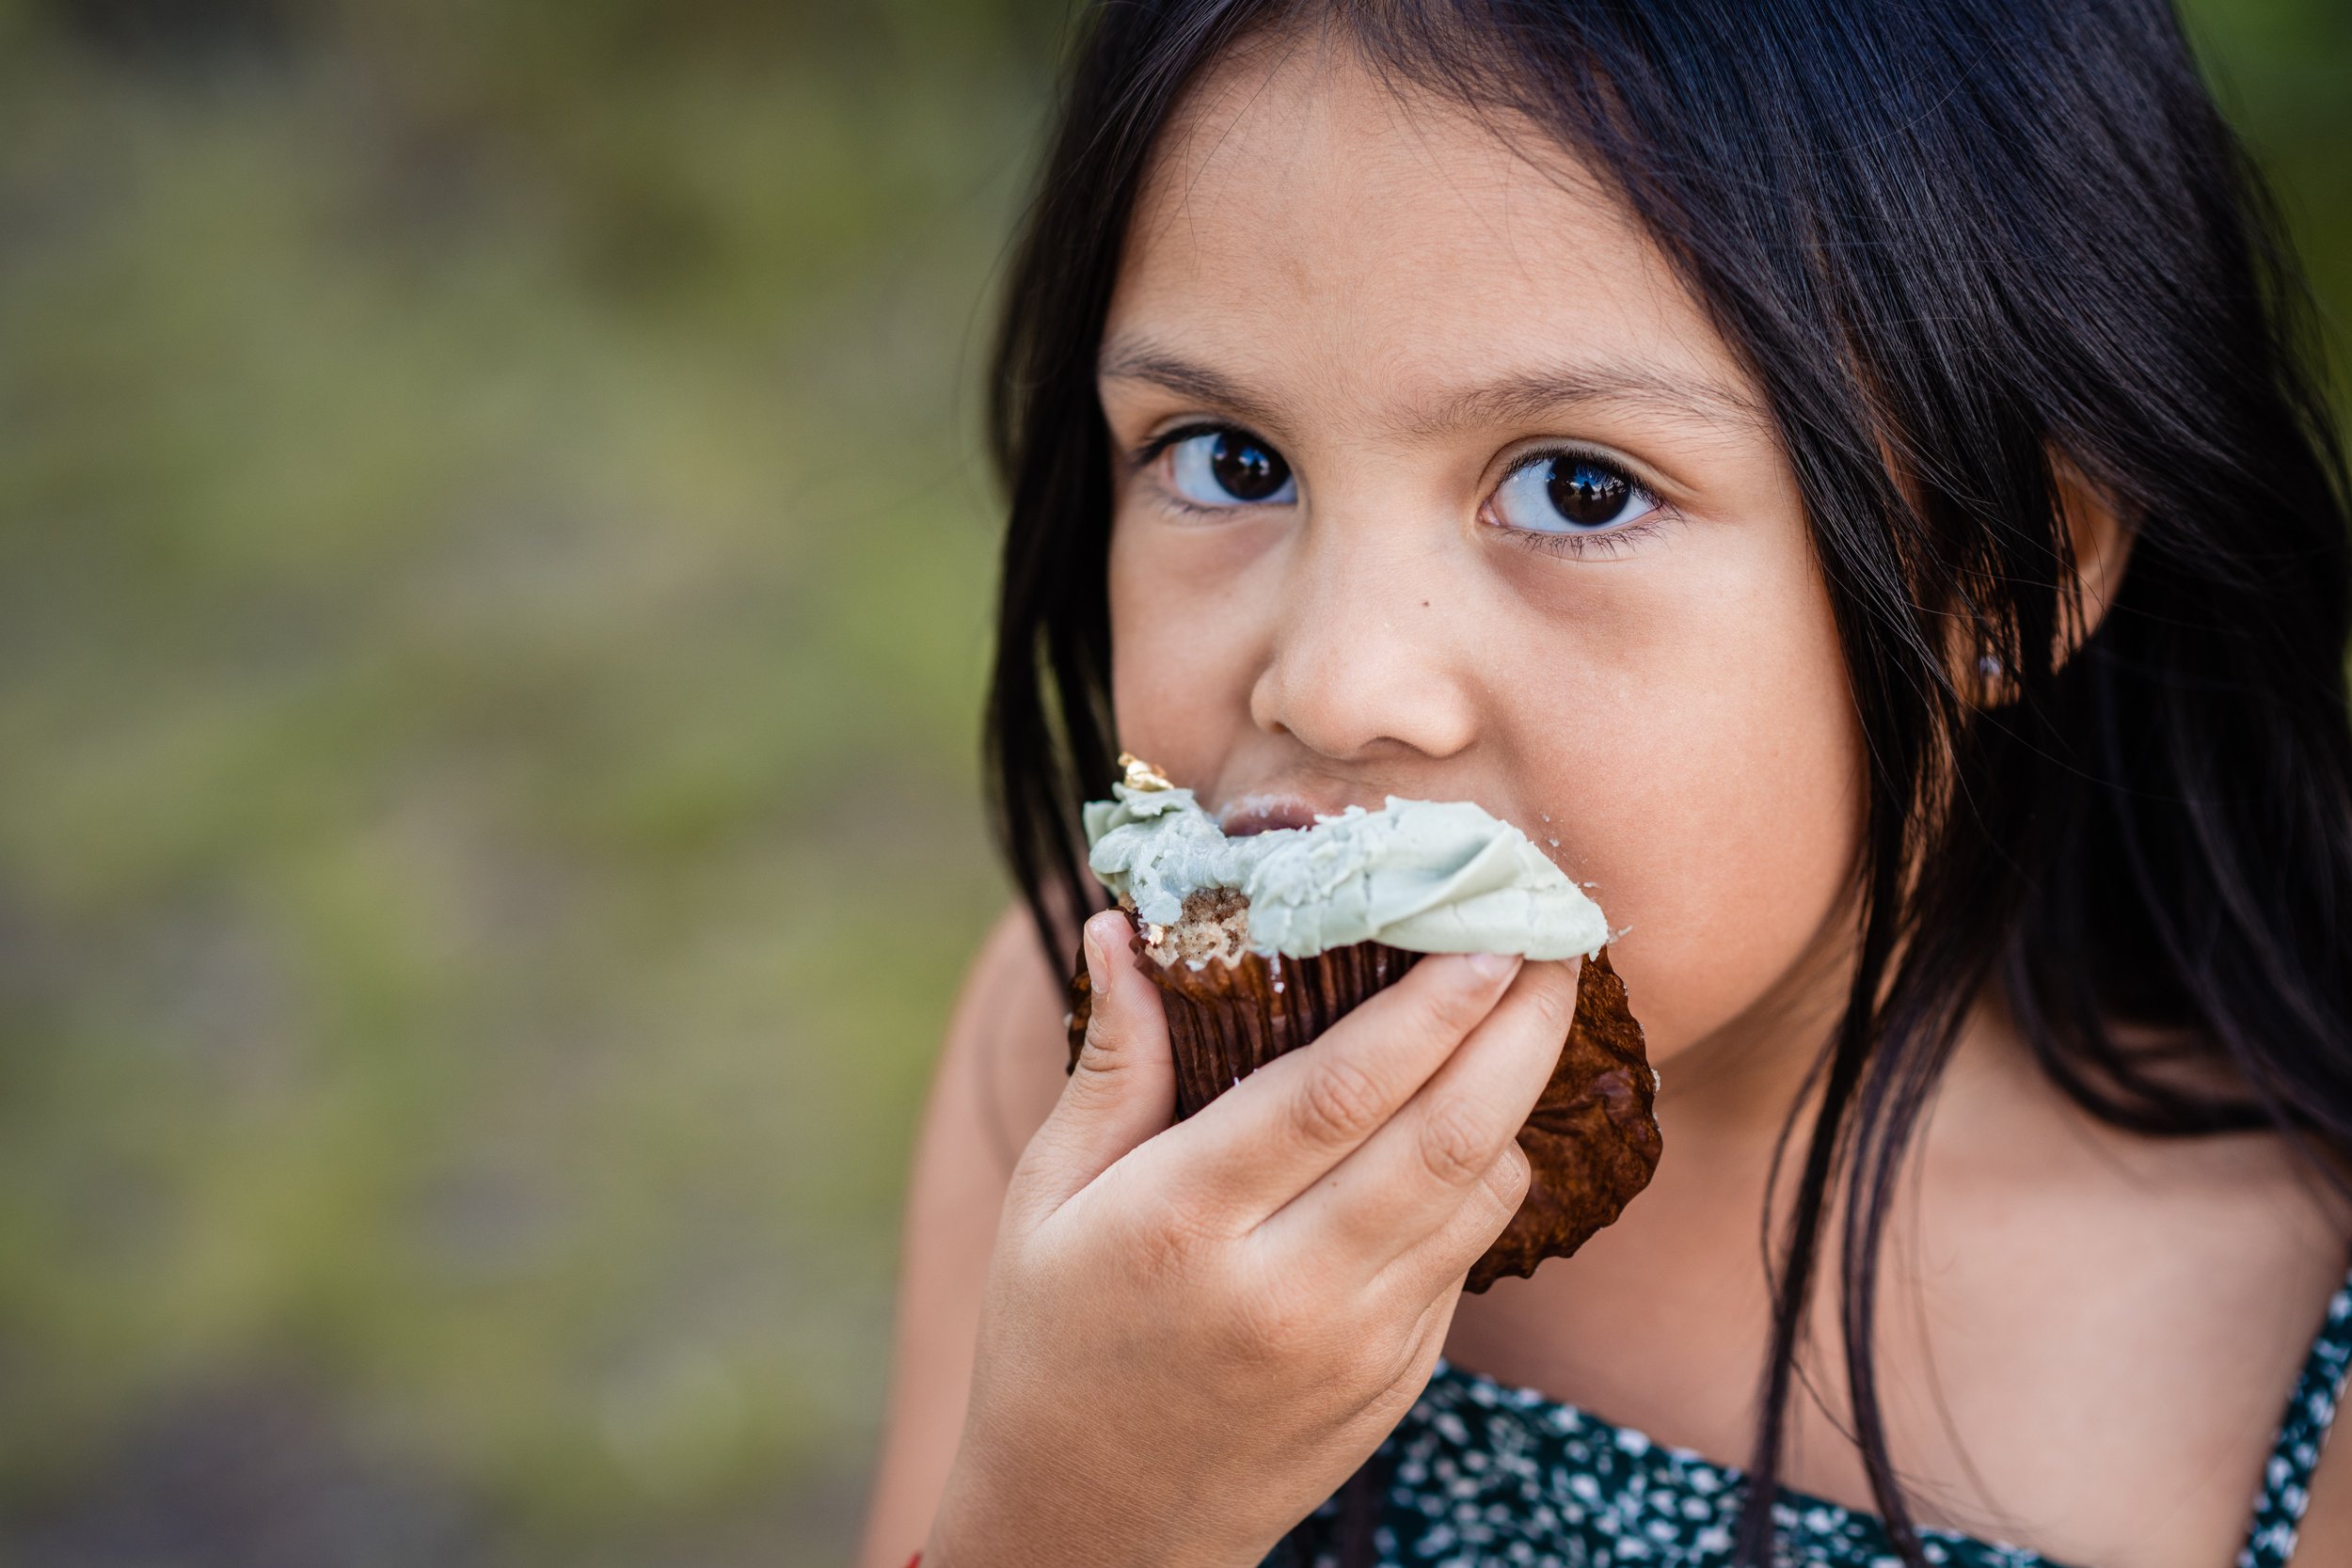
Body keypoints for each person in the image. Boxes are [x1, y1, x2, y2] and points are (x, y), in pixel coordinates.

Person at [860, 2, 2352, 1563]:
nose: (1335, 682)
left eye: (1579, 487)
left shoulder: (2282, 1326)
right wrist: (1080, 1510)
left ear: (2005, 575)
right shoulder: (1086, 1066)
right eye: (1231, 459)